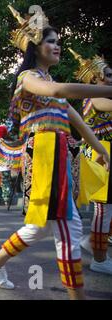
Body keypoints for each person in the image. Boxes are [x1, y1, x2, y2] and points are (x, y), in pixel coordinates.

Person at [0, 6, 112, 300]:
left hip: (59, 152)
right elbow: (54, 94)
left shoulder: (51, 82)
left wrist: (103, 151)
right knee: (68, 224)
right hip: (43, 153)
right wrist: (106, 92)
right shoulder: (28, 77)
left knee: (40, 226)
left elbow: (76, 121)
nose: (57, 46)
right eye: (51, 41)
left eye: (58, 42)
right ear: (34, 46)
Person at [69, 48, 112, 275]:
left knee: (106, 210)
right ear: (96, 79)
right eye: (109, 76)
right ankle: (99, 258)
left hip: (105, 152)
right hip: (100, 153)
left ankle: (91, 243)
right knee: (103, 209)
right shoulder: (94, 98)